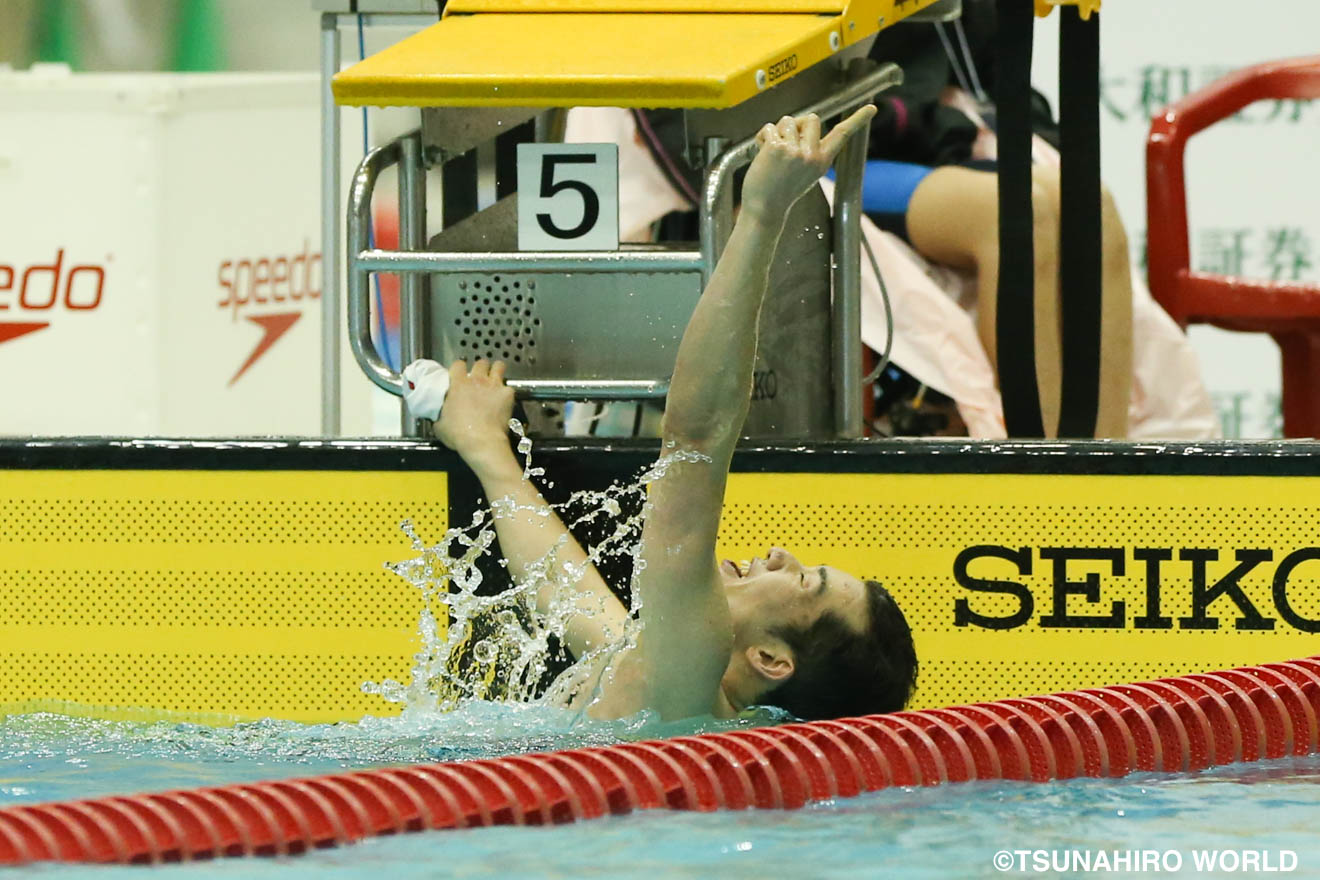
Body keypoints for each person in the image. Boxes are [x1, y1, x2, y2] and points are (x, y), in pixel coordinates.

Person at [433, 108, 918, 723]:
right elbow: (564, 586)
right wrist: (487, 452)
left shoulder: (684, 680)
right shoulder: (664, 686)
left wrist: (764, 214)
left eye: (802, 583)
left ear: (771, 659)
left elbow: (695, 438)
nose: (778, 554)